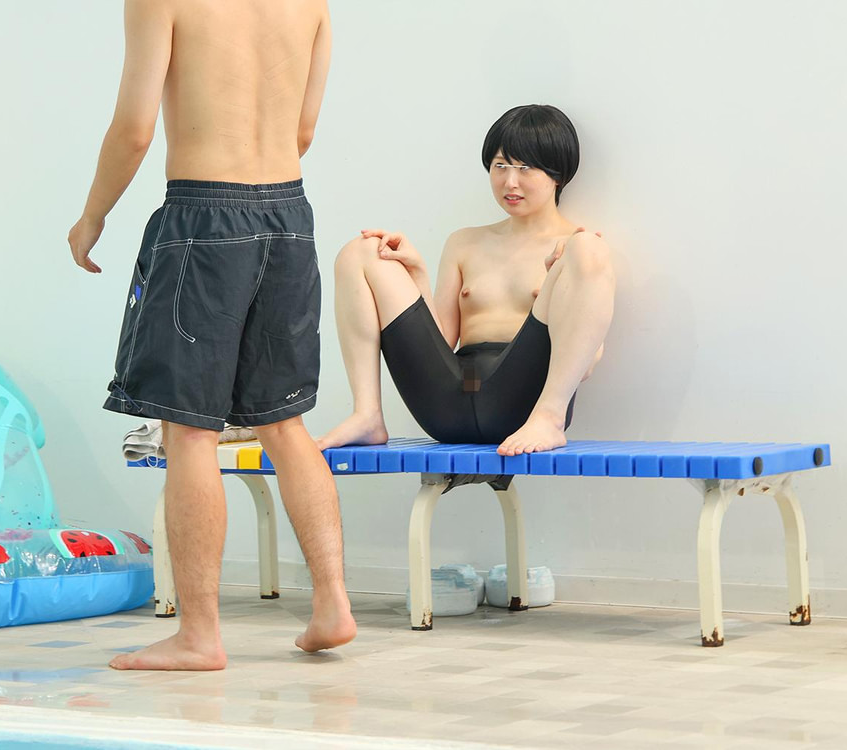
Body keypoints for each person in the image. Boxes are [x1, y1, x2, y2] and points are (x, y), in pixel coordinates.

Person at [66, 0, 355, 671]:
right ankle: (332, 603)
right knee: (285, 423)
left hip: (203, 216)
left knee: (189, 430)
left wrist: (92, 215)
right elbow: (303, 129)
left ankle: (198, 635)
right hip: (289, 214)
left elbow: (135, 129)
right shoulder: (311, 4)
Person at [318, 104, 614, 456]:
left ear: (558, 174)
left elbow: (587, 362)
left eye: (525, 168)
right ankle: (366, 414)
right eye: (500, 166)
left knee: (588, 247)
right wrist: (417, 275)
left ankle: (550, 418)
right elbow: (440, 343)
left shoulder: (573, 251)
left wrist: (557, 282)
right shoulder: (464, 242)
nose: (510, 182)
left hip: (523, 405)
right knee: (362, 251)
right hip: (447, 400)